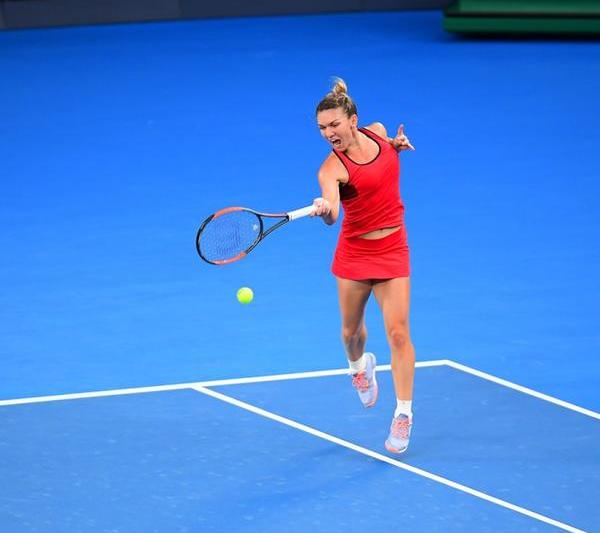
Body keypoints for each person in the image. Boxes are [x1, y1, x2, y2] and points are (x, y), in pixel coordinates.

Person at [311, 78, 416, 454]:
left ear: (353, 120)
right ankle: (359, 368)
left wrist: (395, 148)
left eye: (334, 125)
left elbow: (382, 161)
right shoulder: (330, 170)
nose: (328, 133)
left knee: (399, 333)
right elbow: (334, 212)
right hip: (355, 253)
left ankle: (403, 413)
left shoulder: (379, 133)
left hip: (393, 248)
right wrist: (325, 210)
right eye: (322, 128)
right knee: (351, 332)